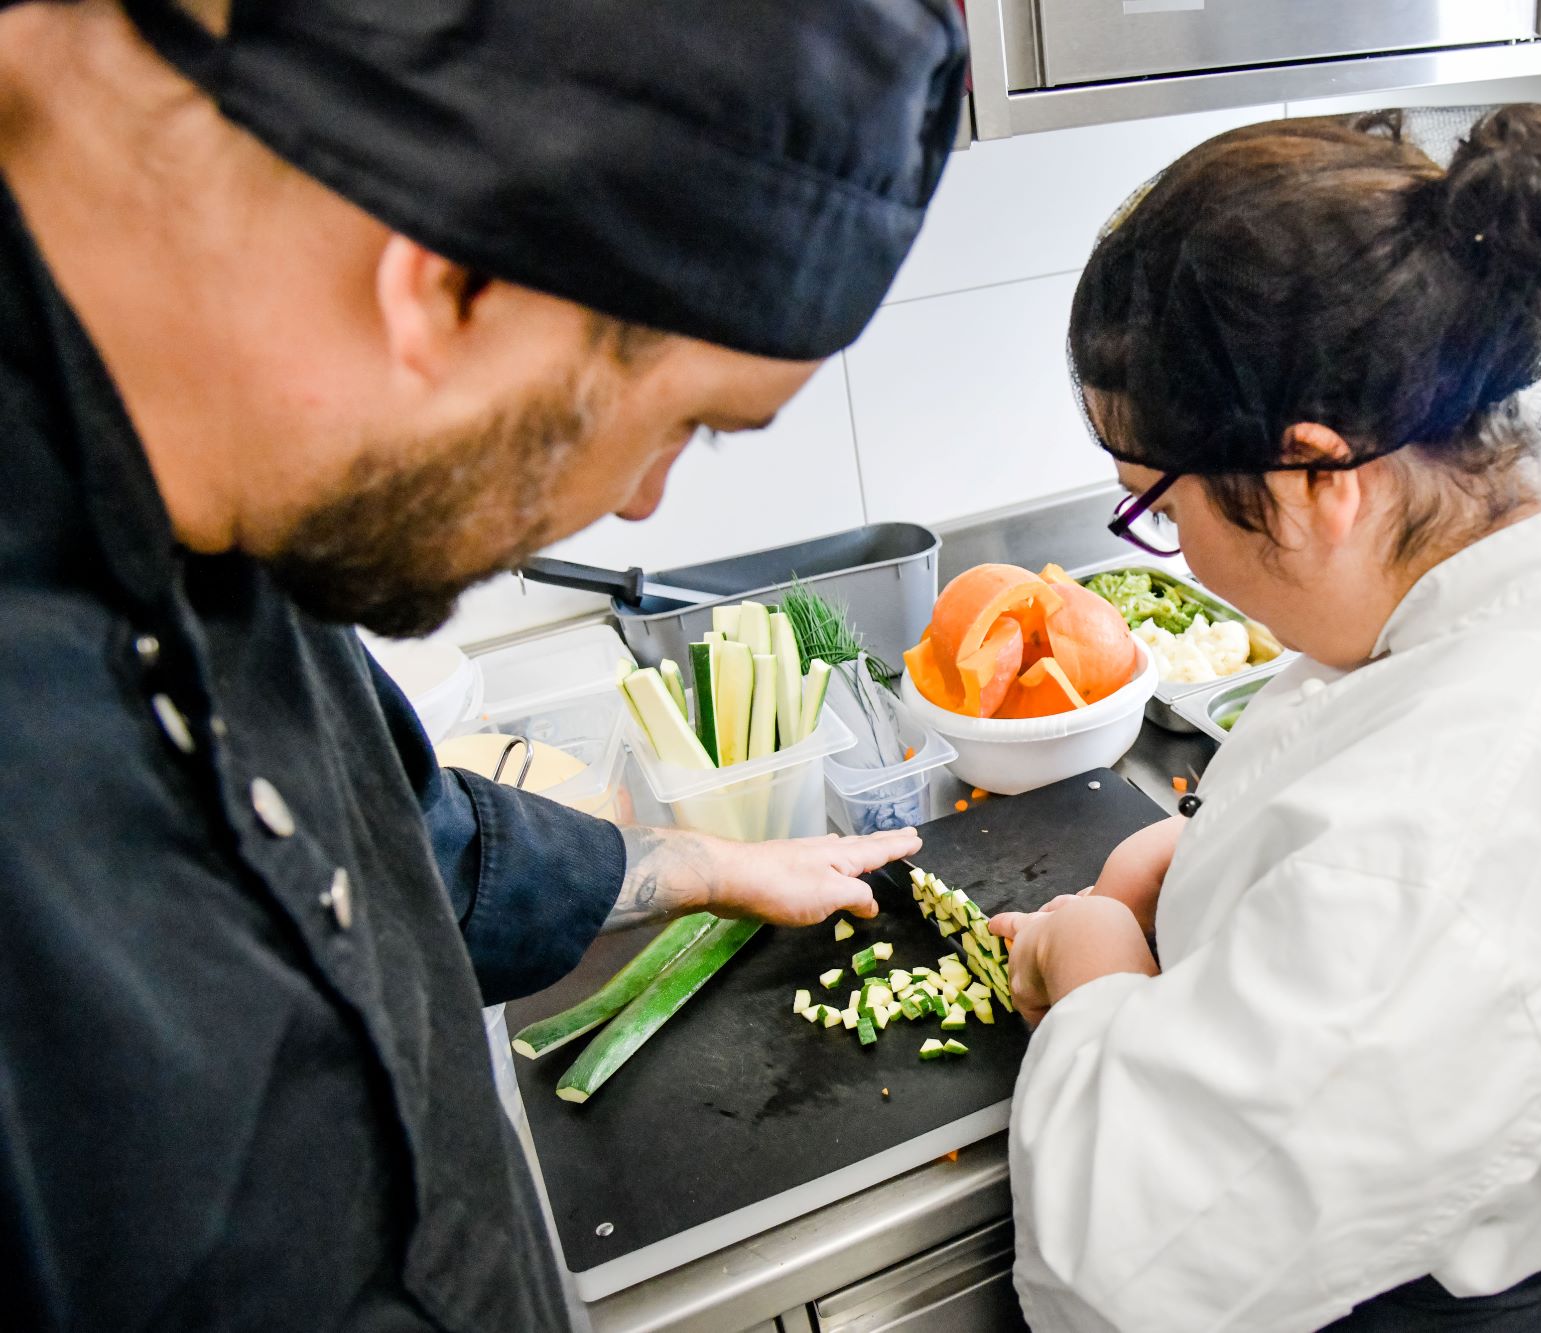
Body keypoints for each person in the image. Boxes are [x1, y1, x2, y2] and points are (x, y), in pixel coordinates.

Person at [0, 0, 964, 1327]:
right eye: (685, 422)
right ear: (447, 285)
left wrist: (688, 865)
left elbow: (394, 847)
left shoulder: (239, 473)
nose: (639, 501)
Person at [990, 106, 1541, 1332]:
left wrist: (1092, 954)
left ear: (1313, 477)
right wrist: (1222, 853)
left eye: (1154, 504)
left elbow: (1127, 1263)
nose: (1176, 550)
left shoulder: (1455, 832)